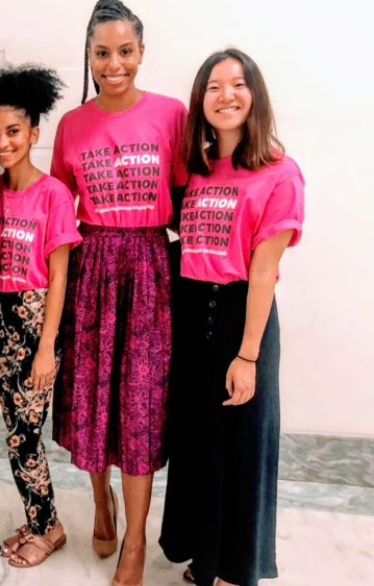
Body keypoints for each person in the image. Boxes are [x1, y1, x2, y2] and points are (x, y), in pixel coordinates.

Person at [50, 0, 188, 586]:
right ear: (89, 54)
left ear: (141, 52)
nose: (114, 63)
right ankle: (100, 499)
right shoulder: (71, 124)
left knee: (140, 410)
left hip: (152, 270)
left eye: (124, 51)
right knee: (93, 400)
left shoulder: (172, 114)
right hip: (92, 268)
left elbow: (192, 193)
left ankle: (135, 543)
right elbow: (55, 210)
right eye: (102, 52)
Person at [159, 48, 305, 586]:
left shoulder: (279, 172)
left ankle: (235, 569)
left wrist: (247, 355)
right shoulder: (195, 169)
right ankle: (205, 555)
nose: (226, 96)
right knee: (200, 441)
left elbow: (264, 272)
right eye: (214, 86)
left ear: (254, 95)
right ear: (201, 100)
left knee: (242, 444)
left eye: (237, 85)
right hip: (193, 312)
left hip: (244, 316)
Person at [0, 65, 80, 568]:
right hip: (0, 319)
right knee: (16, 430)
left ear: (34, 133)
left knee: (24, 435)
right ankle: (38, 518)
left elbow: (58, 276)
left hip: (37, 322)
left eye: (14, 131)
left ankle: (48, 527)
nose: (2, 142)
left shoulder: (53, 194)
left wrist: (45, 348)